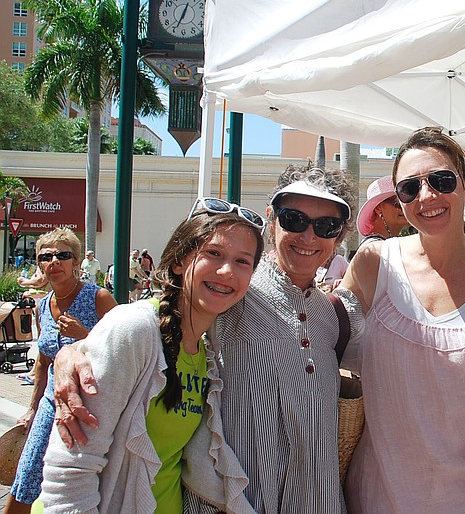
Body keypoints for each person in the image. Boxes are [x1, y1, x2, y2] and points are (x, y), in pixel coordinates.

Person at [52, 165, 360, 514]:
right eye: (294, 219)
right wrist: (75, 352)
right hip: (229, 502)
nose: (309, 236)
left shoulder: (332, 315)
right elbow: (155, 321)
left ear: (340, 235)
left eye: (326, 226)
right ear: (271, 220)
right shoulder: (234, 289)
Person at [338, 127, 465, 513]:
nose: (426, 196)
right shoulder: (374, 264)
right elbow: (321, 336)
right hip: (378, 495)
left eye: (441, 180)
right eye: (409, 188)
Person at [39, 199, 265, 513]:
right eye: (213, 253)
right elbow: (72, 466)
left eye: (243, 261)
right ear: (179, 261)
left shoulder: (206, 351)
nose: (227, 271)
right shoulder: (135, 329)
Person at [4, 228, 117, 514]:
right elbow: (43, 362)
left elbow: (126, 349)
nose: (54, 261)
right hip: (51, 403)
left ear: (76, 263)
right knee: (27, 473)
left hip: (90, 406)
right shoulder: (43, 306)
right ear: (40, 265)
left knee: (79, 482)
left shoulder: (98, 298)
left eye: (62, 255)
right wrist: (31, 409)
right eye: (46, 256)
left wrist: (85, 335)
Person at [355, 175, 410, 249]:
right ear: (378, 208)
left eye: (406, 201)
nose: (403, 208)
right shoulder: (373, 247)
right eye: (397, 203)